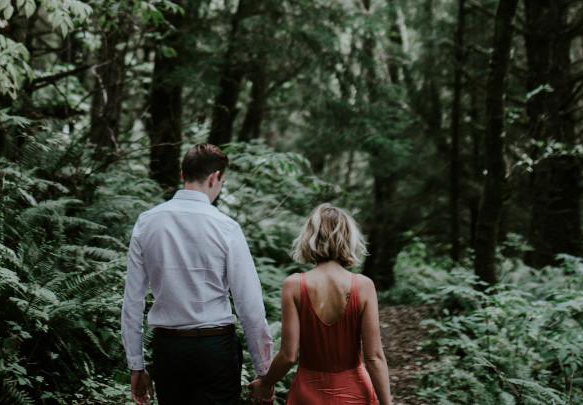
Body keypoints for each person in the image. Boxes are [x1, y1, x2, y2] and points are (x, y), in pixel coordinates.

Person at [121, 143, 274, 405]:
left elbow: (133, 301)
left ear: (183, 174)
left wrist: (136, 365)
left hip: (168, 351)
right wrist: (265, 373)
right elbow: (249, 304)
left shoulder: (147, 222)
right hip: (215, 351)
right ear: (215, 177)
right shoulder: (226, 227)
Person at [247, 205, 391, 405]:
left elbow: (288, 356)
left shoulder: (294, 285)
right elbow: (374, 358)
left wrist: (265, 383)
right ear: (349, 238)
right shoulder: (364, 286)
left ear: (309, 238)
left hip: (307, 393)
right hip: (355, 392)